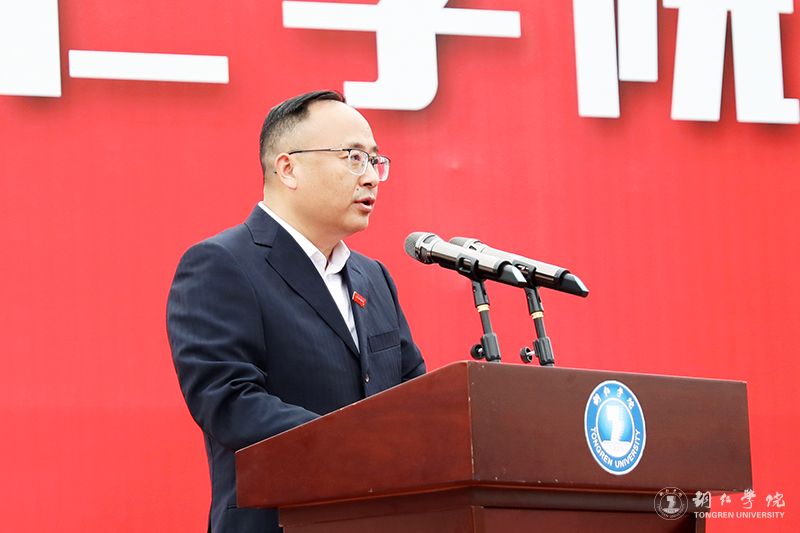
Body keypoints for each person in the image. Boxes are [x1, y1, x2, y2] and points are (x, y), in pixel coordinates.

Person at [166, 90, 426, 533]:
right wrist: (361, 445)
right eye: (353, 157)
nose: (371, 177)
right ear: (288, 168)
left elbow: (414, 395)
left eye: (375, 160)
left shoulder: (373, 277)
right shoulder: (222, 264)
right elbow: (228, 401)